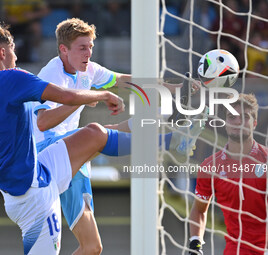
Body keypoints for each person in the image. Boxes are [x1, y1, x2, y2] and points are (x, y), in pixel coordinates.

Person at [32, 18, 205, 255]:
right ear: (64, 49)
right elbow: (42, 123)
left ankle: (157, 132)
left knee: (92, 247)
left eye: (91, 46)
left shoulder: (88, 70)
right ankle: (172, 140)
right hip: (47, 156)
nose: (89, 53)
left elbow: (125, 80)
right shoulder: (51, 75)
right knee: (97, 132)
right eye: (83, 48)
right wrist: (87, 97)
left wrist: (174, 87)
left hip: (74, 159)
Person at [0, 20, 133, 255]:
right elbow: (65, 97)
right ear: (2, 52)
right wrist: (102, 94)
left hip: (37, 171)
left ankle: (160, 140)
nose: (15, 57)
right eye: (12, 51)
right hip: (32, 195)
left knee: (94, 134)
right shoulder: (12, 78)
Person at [189, 93, 267, 255]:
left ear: (254, 123)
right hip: (236, 250)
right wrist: (195, 243)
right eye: (232, 117)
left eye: (244, 117)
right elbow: (199, 209)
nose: (238, 122)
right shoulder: (210, 167)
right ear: (225, 123)